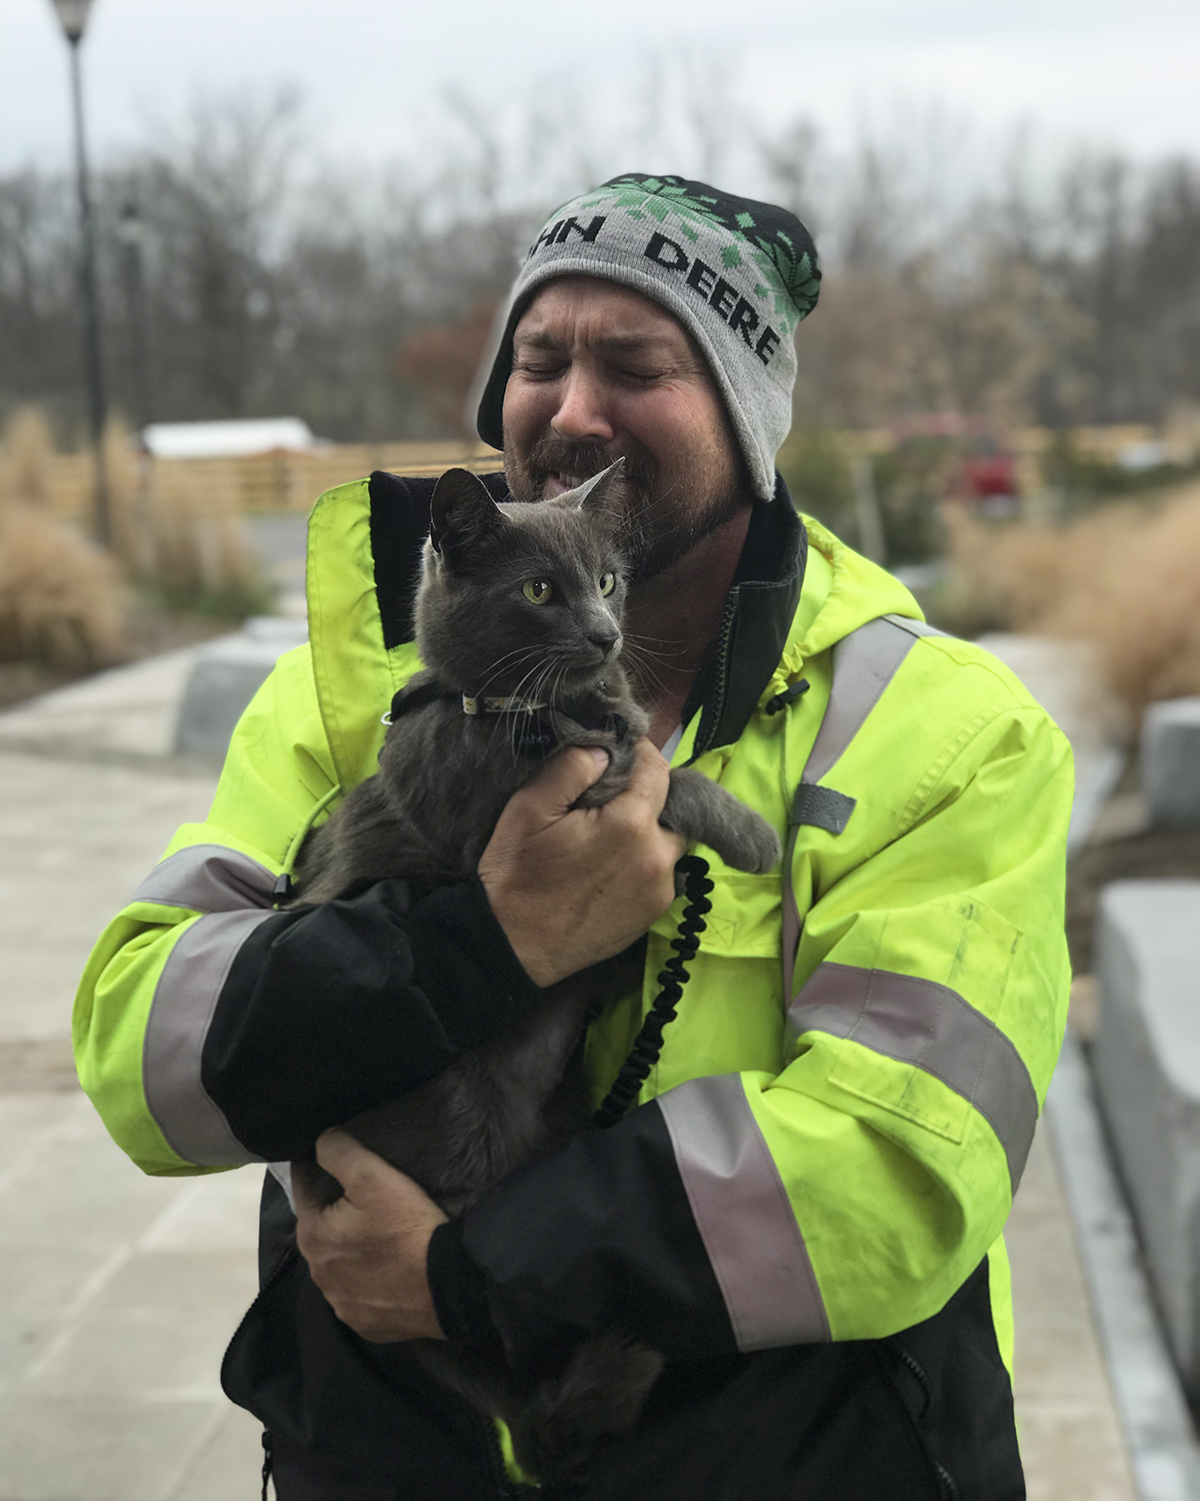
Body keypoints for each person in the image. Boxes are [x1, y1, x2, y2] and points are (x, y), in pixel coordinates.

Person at [75, 172, 1072, 1500]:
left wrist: (473, 1278)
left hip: (784, 1461)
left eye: (637, 366)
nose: (572, 409)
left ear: (749, 415)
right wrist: (472, 944)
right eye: (538, 360)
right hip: (388, 1459)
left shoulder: (948, 731)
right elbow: (144, 1052)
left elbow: (911, 1164)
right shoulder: (351, 688)